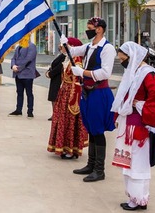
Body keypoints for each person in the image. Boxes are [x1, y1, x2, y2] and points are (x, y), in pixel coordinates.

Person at [60, 17, 116, 182]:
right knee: (91, 128)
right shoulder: (90, 46)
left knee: (98, 131)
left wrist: (82, 72)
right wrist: (65, 44)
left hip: (99, 93)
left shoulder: (107, 48)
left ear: (99, 29)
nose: (88, 30)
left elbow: (105, 73)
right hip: (87, 92)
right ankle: (91, 165)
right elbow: (71, 52)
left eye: (90, 27)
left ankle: (100, 170)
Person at [111, 41, 155, 211]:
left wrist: (139, 104)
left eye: (123, 59)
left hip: (140, 124)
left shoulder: (148, 74)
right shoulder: (136, 72)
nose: (122, 62)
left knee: (137, 161)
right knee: (130, 159)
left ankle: (138, 198)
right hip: (131, 120)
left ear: (132, 56)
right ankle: (135, 197)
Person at [47, 37, 87, 159]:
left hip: (71, 95)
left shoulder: (77, 61)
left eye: (65, 45)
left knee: (69, 121)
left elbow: (77, 82)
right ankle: (62, 146)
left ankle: (70, 148)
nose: (62, 47)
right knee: (61, 119)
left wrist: (74, 100)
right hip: (63, 92)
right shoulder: (67, 59)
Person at [9, 37, 37, 118]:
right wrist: (13, 65)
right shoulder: (18, 47)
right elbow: (13, 58)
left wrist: (18, 68)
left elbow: (28, 59)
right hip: (18, 75)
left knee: (29, 93)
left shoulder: (31, 46)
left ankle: (30, 111)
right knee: (19, 93)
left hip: (27, 74)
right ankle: (18, 110)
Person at [46, 51, 66, 121]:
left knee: (56, 97)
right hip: (54, 79)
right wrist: (48, 71)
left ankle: (57, 114)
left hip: (59, 79)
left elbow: (59, 67)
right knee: (53, 97)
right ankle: (54, 113)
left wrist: (50, 74)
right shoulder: (60, 54)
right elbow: (53, 64)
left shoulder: (66, 56)